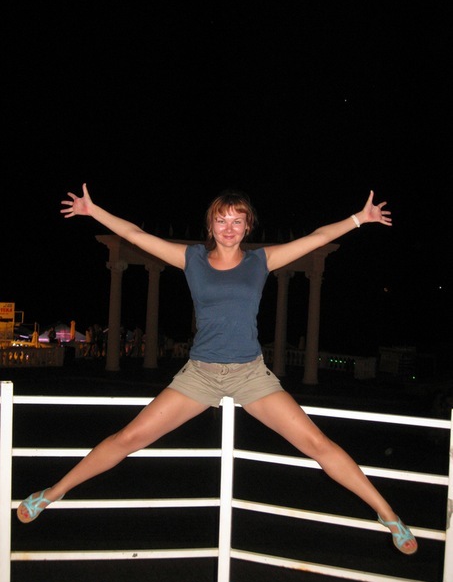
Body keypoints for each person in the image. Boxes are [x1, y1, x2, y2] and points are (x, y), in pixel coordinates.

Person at [17, 183, 417, 555]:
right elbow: (136, 235)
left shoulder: (261, 261)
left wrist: (359, 218)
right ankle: (53, 492)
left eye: (237, 221)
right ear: (210, 225)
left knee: (317, 444)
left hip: (250, 375)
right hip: (200, 375)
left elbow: (316, 238)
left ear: (247, 226)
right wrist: (94, 211)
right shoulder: (191, 259)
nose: (229, 228)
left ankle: (389, 515)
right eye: (221, 220)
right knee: (129, 437)